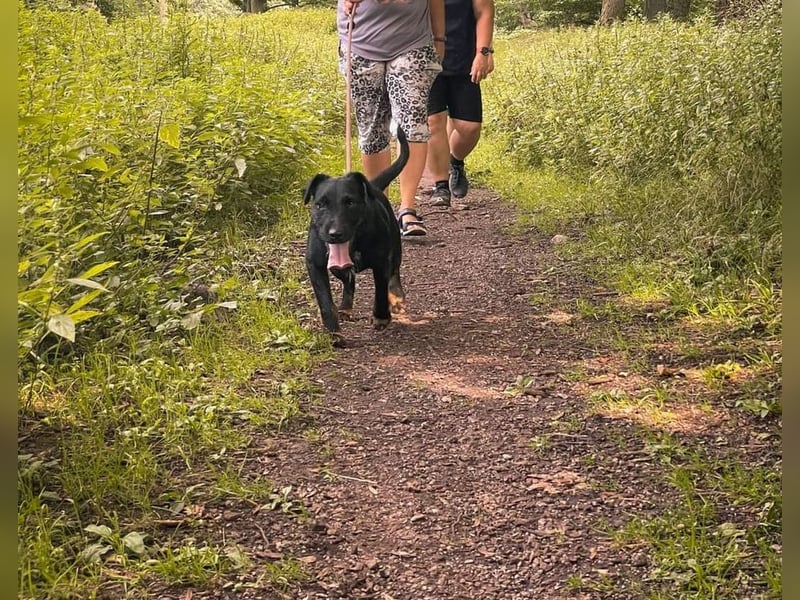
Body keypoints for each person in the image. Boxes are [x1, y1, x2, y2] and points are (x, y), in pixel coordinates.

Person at [338, 0, 445, 236]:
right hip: (359, 44)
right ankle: (380, 211)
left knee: (413, 125)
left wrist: (439, 38)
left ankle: (407, 209)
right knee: (372, 130)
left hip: (412, 43)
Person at [425, 0, 495, 207]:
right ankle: (440, 186)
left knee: (469, 128)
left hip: (464, 58)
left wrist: (484, 52)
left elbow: (484, 12)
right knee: (434, 121)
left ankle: (455, 161)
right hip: (426, 58)